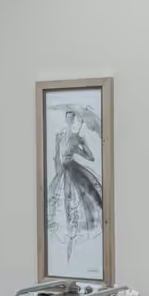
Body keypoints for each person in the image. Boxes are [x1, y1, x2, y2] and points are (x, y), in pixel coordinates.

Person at [47, 106, 103, 262]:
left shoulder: (77, 138)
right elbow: (56, 157)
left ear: (75, 120)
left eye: (73, 118)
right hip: (62, 172)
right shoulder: (59, 135)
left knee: (75, 201)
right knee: (61, 203)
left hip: (74, 170)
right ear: (66, 119)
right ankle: (65, 246)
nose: (70, 120)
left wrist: (80, 147)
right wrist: (58, 172)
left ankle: (72, 239)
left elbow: (90, 157)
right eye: (68, 117)